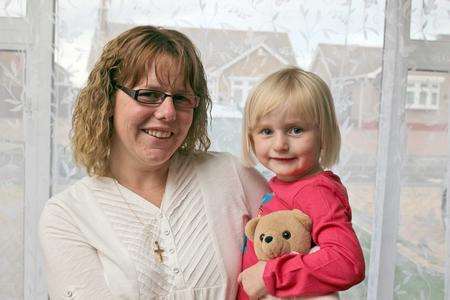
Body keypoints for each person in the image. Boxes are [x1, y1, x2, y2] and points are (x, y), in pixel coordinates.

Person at [39, 25, 268, 299]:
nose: (168, 112)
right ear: (108, 99)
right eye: (148, 94)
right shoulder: (67, 216)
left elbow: (305, 258)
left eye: (181, 98)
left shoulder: (234, 176)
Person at [237, 67, 365, 299]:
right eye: (266, 131)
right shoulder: (281, 184)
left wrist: (270, 276)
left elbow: (347, 261)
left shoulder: (316, 192)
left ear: (324, 134)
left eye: (296, 130)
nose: (280, 145)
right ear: (251, 138)